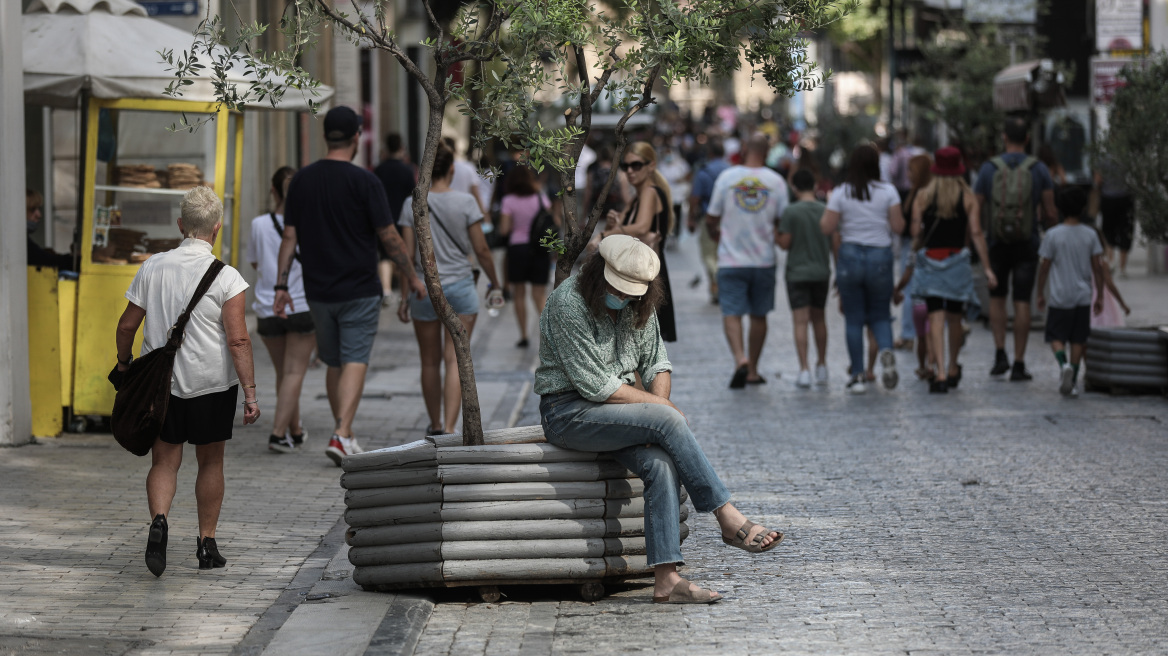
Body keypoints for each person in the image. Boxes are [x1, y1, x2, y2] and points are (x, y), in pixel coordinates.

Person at [536, 235, 783, 605]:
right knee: (666, 420)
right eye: (619, 290)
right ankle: (727, 517)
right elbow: (597, 386)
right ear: (598, 274)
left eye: (633, 293)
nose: (625, 298)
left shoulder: (640, 303)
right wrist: (658, 413)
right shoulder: (568, 303)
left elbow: (656, 362)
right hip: (567, 412)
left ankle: (666, 579)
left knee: (662, 462)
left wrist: (655, 411)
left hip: (618, 407)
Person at [114, 186, 259, 577]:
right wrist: (250, 393)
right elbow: (238, 338)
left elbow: (127, 325)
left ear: (180, 225)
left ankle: (159, 521)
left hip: (163, 386)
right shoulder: (228, 277)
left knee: (165, 459)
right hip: (212, 383)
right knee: (210, 461)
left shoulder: (153, 266)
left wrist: (125, 365)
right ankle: (206, 544)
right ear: (216, 227)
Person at [275, 106, 425, 466]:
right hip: (359, 288)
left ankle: (345, 431)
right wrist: (411, 276)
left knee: (333, 361)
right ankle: (341, 434)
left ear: (326, 135)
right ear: (357, 136)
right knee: (355, 359)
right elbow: (388, 237)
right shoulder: (365, 182)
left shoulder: (302, 181)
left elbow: (289, 237)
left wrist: (281, 285)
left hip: (318, 290)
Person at [398, 144, 503, 435]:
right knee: (455, 358)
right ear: (453, 170)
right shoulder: (467, 202)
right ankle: (449, 427)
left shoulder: (413, 203)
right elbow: (481, 249)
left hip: (424, 288)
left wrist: (405, 294)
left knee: (429, 362)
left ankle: (434, 424)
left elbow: (406, 254)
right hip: (461, 287)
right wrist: (495, 282)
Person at [895, 147, 997, 394]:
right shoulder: (967, 196)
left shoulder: (923, 196)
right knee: (955, 318)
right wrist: (987, 267)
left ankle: (939, 372)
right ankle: (952, 367)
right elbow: (975, 233)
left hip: (930, 261)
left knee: (935, 317)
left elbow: (915, 233)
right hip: (957, 263)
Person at [974, 116, 1058, 381]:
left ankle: (1000, 354)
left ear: (1004, 137)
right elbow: (1050, 211)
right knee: (1022, 301)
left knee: (998, 299)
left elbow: (975, 209)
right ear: (1028, 138)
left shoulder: (989, 169)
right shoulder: (1039, 169)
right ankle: (1019, 363)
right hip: (1026, 243)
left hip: (996, 243)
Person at [819, 143, 904, 394]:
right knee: (880, 314)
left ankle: (857, 375)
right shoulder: (888, 191)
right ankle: (886, 350)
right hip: (880, 256)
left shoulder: (841, 192)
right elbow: (898, 227)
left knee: (854, 318)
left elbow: (826, 227)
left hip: (851, 256)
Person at [706, 135, 789, 387]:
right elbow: (782, 222)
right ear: (768, 151)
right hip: (763, 260)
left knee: (731, 312)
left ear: (744, 150)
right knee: (759, 315)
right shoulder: (776, 182)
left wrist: (717, 236)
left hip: (731, 259)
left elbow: (711, 217)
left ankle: (739, 358)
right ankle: (752, 369)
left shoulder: (727, 178)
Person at [247, 167, 315, 453]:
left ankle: (295, 431)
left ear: (273, 191)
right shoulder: (308, 221)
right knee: (293, 373)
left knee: (283, 374)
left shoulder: (258, 224)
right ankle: (278, 434)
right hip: (299, 304)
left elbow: (254, 263)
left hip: (266, 307)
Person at [601, 141, 677, 343]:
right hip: (641, 275)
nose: (630, 171)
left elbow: (642, 227)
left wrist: (607, 234)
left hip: (646, 278)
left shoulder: (650, 192)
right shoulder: (637, 197)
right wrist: (614, 224)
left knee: (640, 347)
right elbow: (624, 231)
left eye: (636, 165)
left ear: (651, 166)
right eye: (626, 167)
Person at [1036, 187, 1105, 397]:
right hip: (1082, 296)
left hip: (1060, 296)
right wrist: (1099, 294)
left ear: (1059, 208)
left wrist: (1040, 291)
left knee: (1055, 336)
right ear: (1083, 207)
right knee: (1078, 339)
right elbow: (1097, 267)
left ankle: (1062, 363)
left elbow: (1045, 265)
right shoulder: (1090, 234)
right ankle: (1073, 381)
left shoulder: (1053, 235)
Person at [776, 169, 834, 388]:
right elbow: (833, 241)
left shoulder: (791, 212)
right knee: (819, 319)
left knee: (800, 321)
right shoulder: (825, 209)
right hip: (821, 271)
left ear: (795, 188)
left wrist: (776, 232)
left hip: (797, 272)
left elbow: (785, 244)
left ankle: (804, 370)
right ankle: (822, 364)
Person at [498, 165, 553, 347]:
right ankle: (549, 337)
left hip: (518, 249)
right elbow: (550, 220)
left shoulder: (508, 200)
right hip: (539, 250)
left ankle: (523, 335)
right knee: (539, 296)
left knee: (519, 294)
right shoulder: (540, 198)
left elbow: (504, 230)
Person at [893, 154, 933, 352]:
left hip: (915, 245)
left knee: (910, 290)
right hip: (924, 246)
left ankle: (909, 334)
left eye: (910, 170)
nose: (907, 174)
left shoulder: (919, 195)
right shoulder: (919, 193)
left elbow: (914, 229)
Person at [373, 133, 417, 301]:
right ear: (401, 147)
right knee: (403, 251)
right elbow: (413, 195)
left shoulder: (379, 169)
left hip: (383, 215)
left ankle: (386, 289)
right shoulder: (407, 170)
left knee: (384, 254)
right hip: (402, 217)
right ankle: (403, 290)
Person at [687, 138, 730, 304]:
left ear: (710, 153)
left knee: (708, 255)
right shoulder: (731, 171)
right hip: (728, 219)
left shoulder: (703, 172)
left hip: (709, 219)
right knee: (722, 254)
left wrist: (691, 219)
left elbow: (695, 198)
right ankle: (716, 289)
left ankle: (717, 280)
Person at [1095, 159, 1135, 278]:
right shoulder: (1127, 158)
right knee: (1126, 231)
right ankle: (1122, 267)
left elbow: (1098, 180)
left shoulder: (1102, 159)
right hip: (1125, 199)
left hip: (1108, 198)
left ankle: (1110, 261)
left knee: (1108, 230)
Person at [25, 189, 73, 270]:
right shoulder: (20, 242)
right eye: (32, 209)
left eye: (38, 209)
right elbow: (49, 262)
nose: (39, 215)